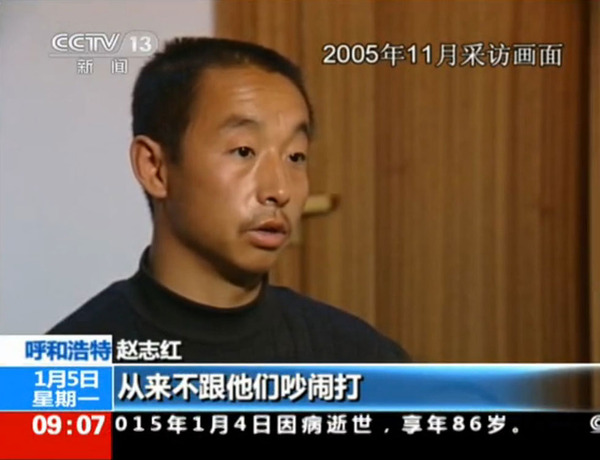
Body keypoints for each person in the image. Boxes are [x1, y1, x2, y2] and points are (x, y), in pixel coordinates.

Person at [48, 37, 410, 363]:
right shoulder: (68, 370)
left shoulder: (361, 362)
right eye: (244, 151)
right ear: (155, 168)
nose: (279, 190)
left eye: (296, 156)